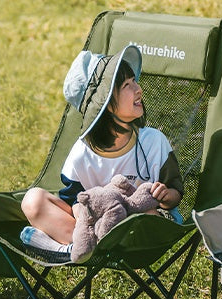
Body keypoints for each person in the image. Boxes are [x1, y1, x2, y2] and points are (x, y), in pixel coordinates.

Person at [21, 44, 184, 258]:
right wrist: (87, 213)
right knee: (33, 200)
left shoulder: (153, 142)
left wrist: (165, 195)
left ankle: (65, 250)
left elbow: (175, 194)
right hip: (96, 230)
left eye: (134, 81)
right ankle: (80, 248)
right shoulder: (81, 154)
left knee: (147, 215)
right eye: (127, 85)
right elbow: (73, 202)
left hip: (138, 235)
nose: (138, 89)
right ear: (105, 104)